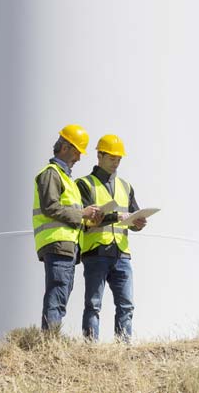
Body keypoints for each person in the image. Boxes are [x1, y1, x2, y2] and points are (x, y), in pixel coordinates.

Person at [76, 134, 147, 342]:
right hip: (96, 252)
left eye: (119, 158)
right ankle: (90, 347)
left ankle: (123, 348)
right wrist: (116, 216)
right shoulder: (84, 185)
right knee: (93, 304)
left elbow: (132, 215)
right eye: (112, 157)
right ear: (99, 155)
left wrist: (138, 223)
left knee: (126, 305)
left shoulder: (126, 187)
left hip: (121, 255)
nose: (116, 162)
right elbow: (86, 218)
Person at [33, 124, 102, 332]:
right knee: (56, 297)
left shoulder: (65, 177)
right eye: (77, 152)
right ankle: (50, 344)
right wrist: (82, 213)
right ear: (65, 147)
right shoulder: (51, 174)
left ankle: (51, 342)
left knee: (60, 297)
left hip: (67, 246)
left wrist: (88, 217)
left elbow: (68, 211)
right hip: (57, 243)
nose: (79, 158)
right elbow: (50, 207)